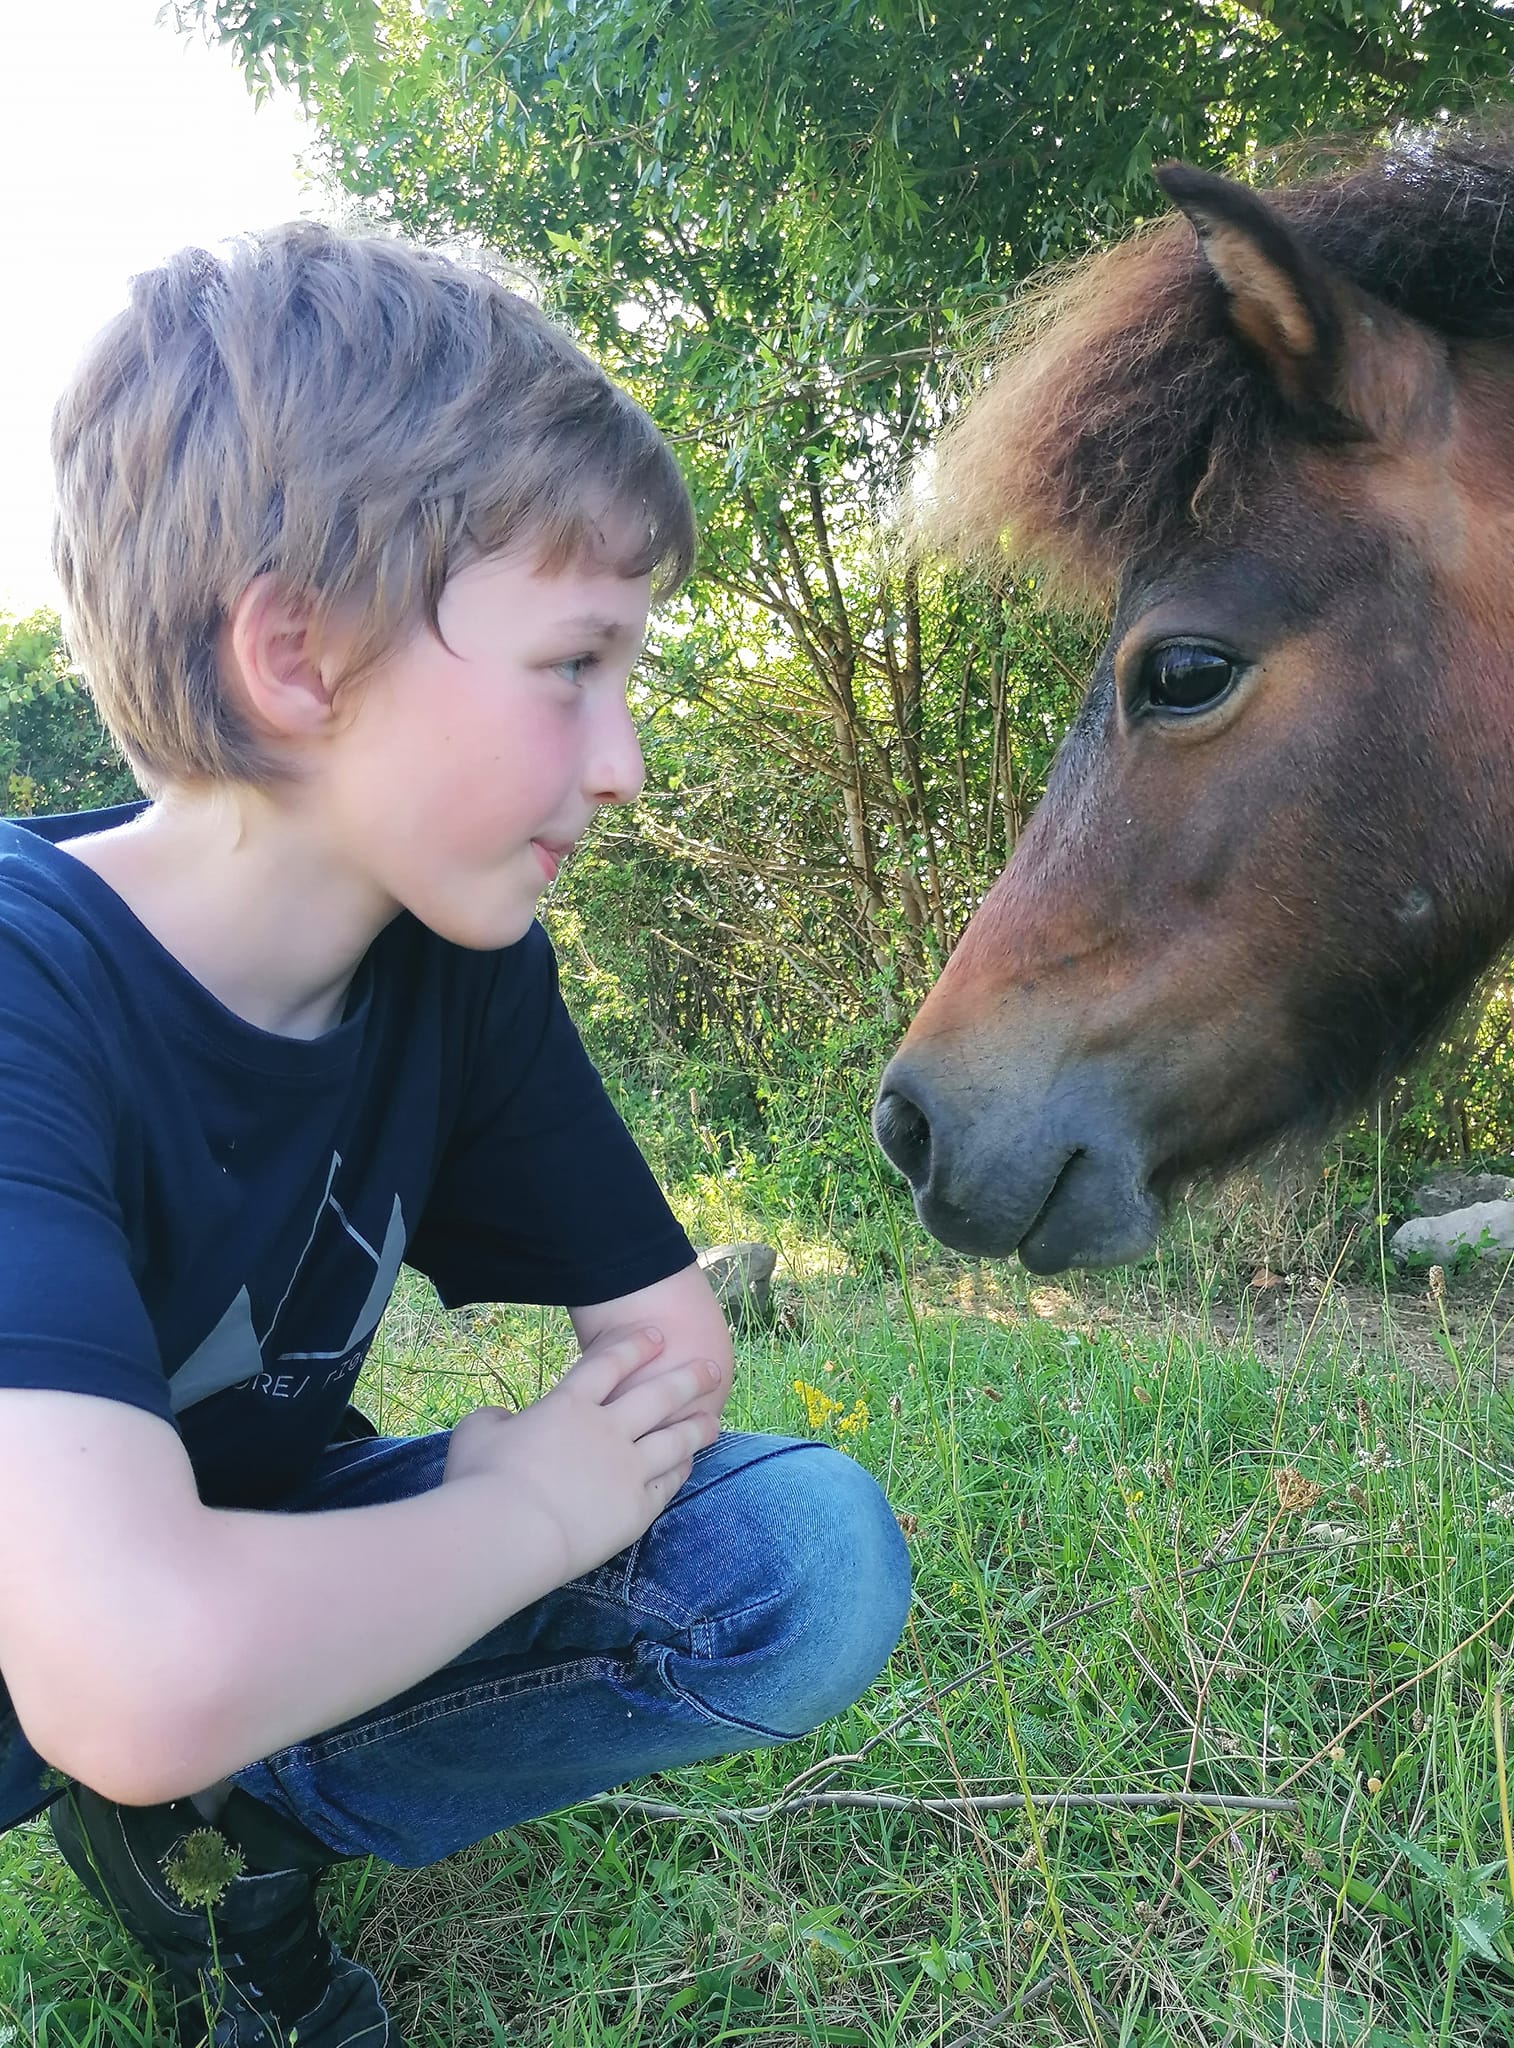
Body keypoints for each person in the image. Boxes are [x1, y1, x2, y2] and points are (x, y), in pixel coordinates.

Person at [0, 223, 911, 2047]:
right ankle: (192, 1766)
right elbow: (128, 1665)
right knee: (138, 1674)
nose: (627, 756)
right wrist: (529, 1510)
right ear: (299, 656)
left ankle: (232, 1836)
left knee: (798, 1560)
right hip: (64, 1624)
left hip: (217, 1581)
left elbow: (667, 1350)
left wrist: (509, 1517)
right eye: (577, 661)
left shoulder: (454, 964)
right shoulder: (26, 987)